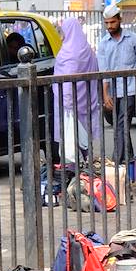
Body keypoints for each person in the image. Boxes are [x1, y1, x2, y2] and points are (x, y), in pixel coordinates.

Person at [96, 4, 136, 165]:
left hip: (131, 90)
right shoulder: (103, 44)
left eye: (112, 22)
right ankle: (129, 159)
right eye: (106, 23)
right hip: (112, 92)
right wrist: (105, 95)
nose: (109, 26)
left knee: (121, 125)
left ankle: (116, 162)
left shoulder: (134, 39)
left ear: (120, 20)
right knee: (120, 127)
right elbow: (104, 72)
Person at [52, 18, 100, 163]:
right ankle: (86, 177)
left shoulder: (69, 53)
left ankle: (75, 178)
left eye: (63, 31)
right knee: (84, 144)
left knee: (71, 145)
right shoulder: (88, 51)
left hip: (70, 107)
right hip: (87, 103)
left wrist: (67, 107)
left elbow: (66, 84)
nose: (62, 35)